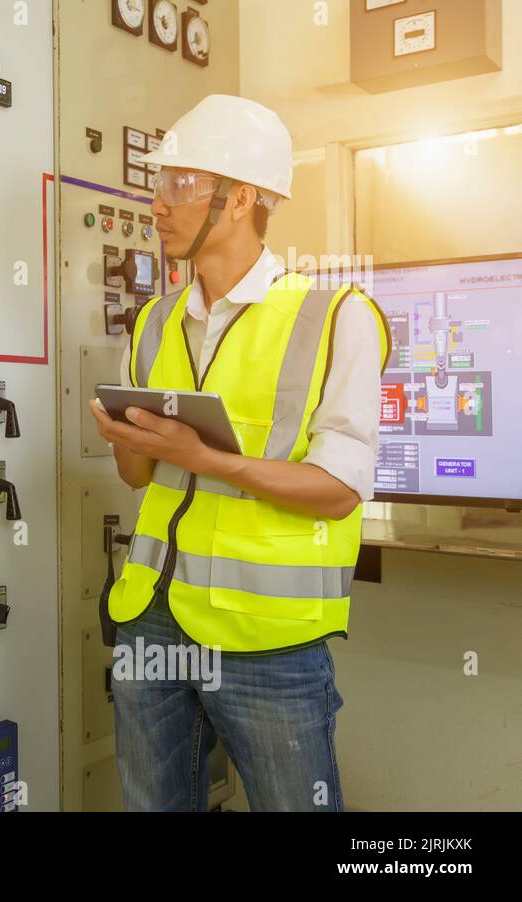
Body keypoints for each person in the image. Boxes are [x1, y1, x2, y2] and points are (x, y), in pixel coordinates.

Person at [88, 94, 391, 812]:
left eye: (179, 185)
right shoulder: (154, 322)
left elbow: (340, 488)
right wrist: (128, 442)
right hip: (152, 618)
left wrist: (205, 457)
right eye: (158, 185)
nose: (158, 204)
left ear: (241, 198)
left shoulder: (334, 317)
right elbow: (139, 478)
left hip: (268, 640)